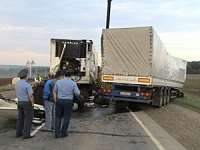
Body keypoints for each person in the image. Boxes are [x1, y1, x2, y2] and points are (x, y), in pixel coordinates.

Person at [53, 72, 80, 138]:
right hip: (68, 101)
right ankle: (63, 133)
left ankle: (57, 133)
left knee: (58, 117)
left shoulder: (58, 82)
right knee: (66, 118)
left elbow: (54, 91)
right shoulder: (73, 83)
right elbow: (77, 93)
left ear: (64, 75)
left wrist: (56, 100)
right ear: (71, 76)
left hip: (59, 100)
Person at [15, 68, 34, 139]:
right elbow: (30, 95)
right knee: (28, 119)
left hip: (19, 102)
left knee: (20, 118)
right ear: (26, 76)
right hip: (26, 103)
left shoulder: (17, 84)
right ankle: (26, 134)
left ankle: (18, 133)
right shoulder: (27, 85)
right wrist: (32, 103)